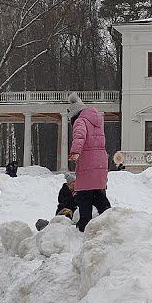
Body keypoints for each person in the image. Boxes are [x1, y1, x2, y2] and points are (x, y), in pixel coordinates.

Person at [67, 96, 111, 232]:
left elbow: (79, 136)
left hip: (88, 163)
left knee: (84, 196)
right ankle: (110, 220)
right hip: (100, 162)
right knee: (98, 194)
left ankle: (84, 226)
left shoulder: (80, 121)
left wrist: (75, 151)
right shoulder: (97, 121)